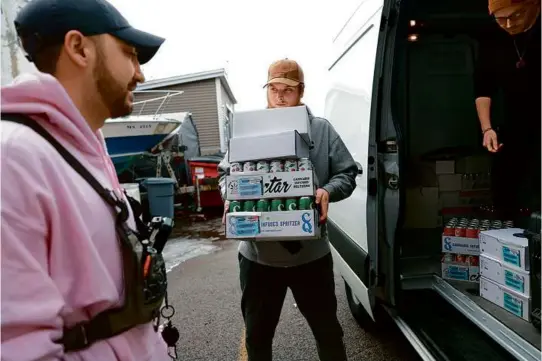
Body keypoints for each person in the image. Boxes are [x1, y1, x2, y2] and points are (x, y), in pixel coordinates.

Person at [1, 0, 169, 360]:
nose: (139, 74)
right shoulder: (12, 158)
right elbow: (17, 346)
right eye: (130, 54)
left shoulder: (86, 146)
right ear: (79, 48)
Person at [218, 59, 358, 361]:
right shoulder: (249, 130)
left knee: (329, 334)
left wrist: (326, 191)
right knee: (257, 337)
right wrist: (230, 194)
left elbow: (347, 174)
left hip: (311, 255)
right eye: (274, 90)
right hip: (258, 258)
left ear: (301, 92)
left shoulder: (320, 130)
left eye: (288, 91)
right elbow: (224, 174)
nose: (280, 97)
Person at [474, 0, 541, 219]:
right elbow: (483, 87)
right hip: (515, 122)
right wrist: (487, 129)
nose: (509, 24)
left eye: (516, 15)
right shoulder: (493, 40)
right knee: (506, 180)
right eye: (501, 19)